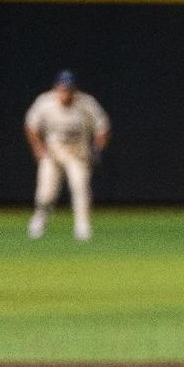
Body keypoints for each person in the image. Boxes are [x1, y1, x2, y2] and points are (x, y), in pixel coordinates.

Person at [24, 69, 111, 241]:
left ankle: (82, 226)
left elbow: (103, 128)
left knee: (80, 188)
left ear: (74, 90)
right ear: (56, 88)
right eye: (62, 88)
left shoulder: (86, 103)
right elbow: (31, 126)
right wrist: (38, 147)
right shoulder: (45, 102)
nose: (65, 93)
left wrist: (97, 148)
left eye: (68, 89)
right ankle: (40, 220)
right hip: (53, 152)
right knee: (46, 192)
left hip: (78, 153)